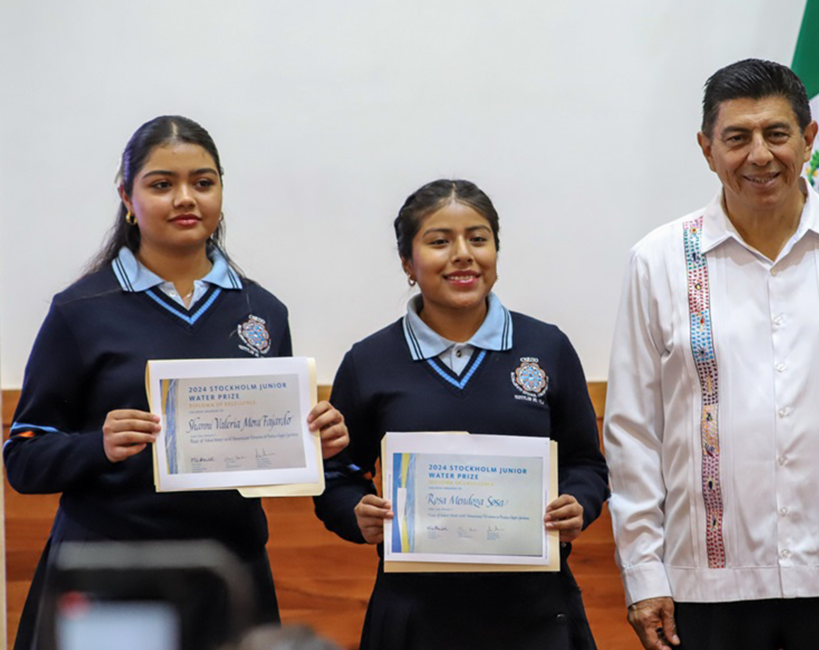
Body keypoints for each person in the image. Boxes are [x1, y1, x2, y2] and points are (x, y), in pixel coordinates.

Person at [603, 59, 819, 650]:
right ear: (707, 149)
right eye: (737, 137)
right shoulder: (656, 260)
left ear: (809, 140)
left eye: (776, 134)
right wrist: (643, 571)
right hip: (704, 586)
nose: (759, 155)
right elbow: (633, 432)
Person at [3, 115, 349, 650]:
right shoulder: (80, 311)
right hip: (113, 574)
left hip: (228, 572)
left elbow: (268, 464)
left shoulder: (263, 311)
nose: (185, 198)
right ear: (127, 195)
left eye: (203, 183)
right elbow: (23, 457)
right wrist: (99, 447)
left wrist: (310, 442)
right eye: (162, 184)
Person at [313, 179, 609, 650]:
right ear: (407, 263)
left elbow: (586, 464)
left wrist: (579, 502)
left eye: (478, 238)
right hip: (415, 614)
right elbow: (338, 472)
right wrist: (356, 512)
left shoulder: (546, 348)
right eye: (438, 241)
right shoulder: (369, 361)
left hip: (533, 611)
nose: (463, 254)